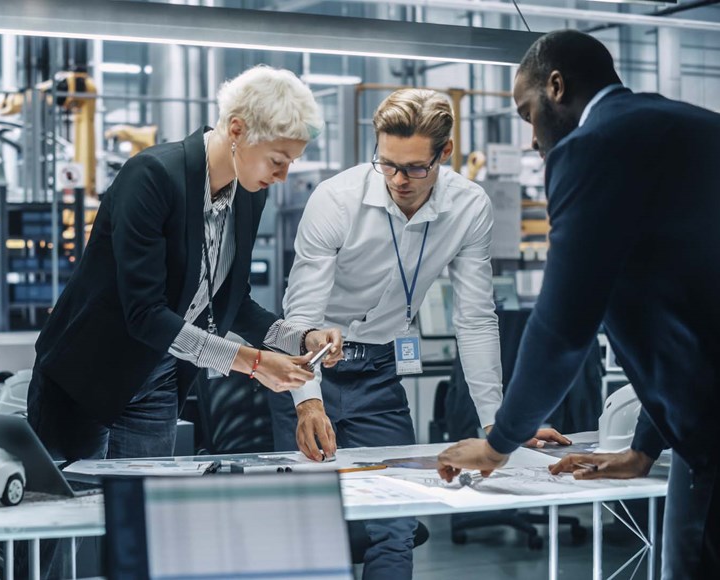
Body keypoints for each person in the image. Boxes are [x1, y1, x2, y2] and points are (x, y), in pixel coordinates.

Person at [436, 30, 720, 578]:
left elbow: (563, 327)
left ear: (557, 87)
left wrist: (498, 444)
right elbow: (691, 313)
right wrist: (644, 449)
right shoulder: (697, 129)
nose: (533, 139)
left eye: (528, 114)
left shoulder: (591, 148)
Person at [268, 88, 567, 579]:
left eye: (413, 168)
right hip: (308, 370)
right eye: (387, 164)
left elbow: (475, 318)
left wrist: (497, 422)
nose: (398, 180)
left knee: (396, 521)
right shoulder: (336, 200)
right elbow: (300, 314)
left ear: (444, 153)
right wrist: (307, 402)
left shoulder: (468, 207)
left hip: (379, 373)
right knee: (309, 524)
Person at [28, 64, 342, 465]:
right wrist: (254, 363)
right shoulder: (153, 176)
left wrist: (300, 339)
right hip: (86, 376)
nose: (282, 176)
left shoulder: (249, 194)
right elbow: (145, 314)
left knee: (142, 501)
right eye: (277, 160)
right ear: (237, 130)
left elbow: (232, 303)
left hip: (159, 377)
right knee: (74, 499)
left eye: (291, 163)